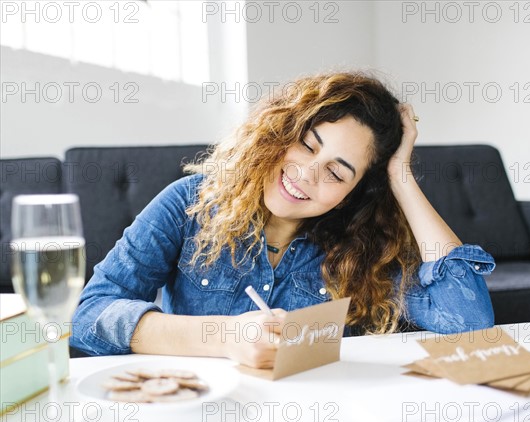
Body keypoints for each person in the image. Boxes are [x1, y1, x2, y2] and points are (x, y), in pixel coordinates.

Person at [70, 72, 496, 368]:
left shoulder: (362, 245)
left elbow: (469, 322)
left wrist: (400, 177)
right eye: (308, 146)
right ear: (281, 131)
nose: (307, 174)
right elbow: (90, 318)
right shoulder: (190, 204)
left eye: (336, 172)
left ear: (355, 191)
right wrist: (224, 337)